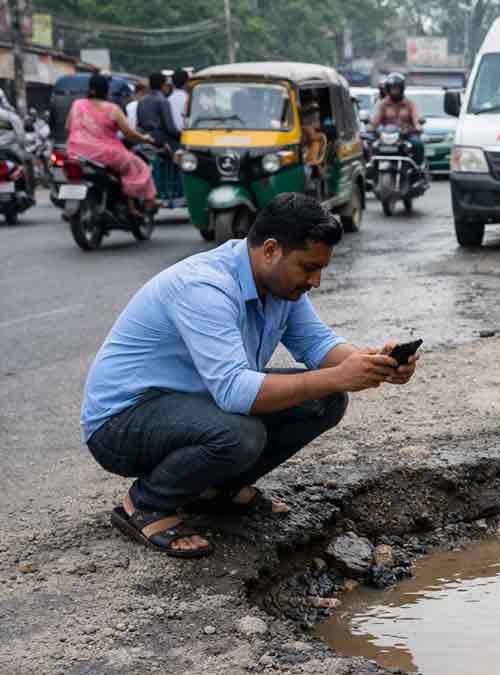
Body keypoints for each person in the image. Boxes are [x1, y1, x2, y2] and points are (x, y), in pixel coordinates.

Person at [82, 193, 420, 558]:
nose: (317, 280)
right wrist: (341, 375)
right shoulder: (204, 287)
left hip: (190, 406)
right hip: (121, 424)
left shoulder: (278, 285)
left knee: (326, 401)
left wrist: (373, 363)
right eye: (309, 268)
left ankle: (216, 490)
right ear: (271, 250)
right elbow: (234, 392)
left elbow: (317, 343)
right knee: (240, 434)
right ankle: (146, 503)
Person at [67, 74, 159, 217]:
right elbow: (129, 133)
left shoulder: (77, 104)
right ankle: (144, 204)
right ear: (107, 90)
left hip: (75, 150)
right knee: (138, 165)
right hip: (106, 153)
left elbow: (68, 126)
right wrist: (145, 138)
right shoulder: (112, 109)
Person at [370, 73, 425, 169]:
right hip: (387, 136)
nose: (394, 91)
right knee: (371, 145)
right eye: (392, 88)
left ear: (402, 89)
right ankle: (371, 171)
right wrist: (370, 128)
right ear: (388, 89)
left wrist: (418, 126)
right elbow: (375, 121)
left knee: (418, 144)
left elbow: (416, 118)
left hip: (406, 134)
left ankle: (417, 170)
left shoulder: (410, 104)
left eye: (397, 88)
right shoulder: (382, 104)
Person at [138, 72, 180, 150]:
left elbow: (139, 123)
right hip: (161, 141)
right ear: (163, 85)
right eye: (167, 85)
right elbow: (170, 128)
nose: (168, 87)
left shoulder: (141, 100)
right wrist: (181, 135)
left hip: (144, 138)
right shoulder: (163, 101)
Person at [0, 89, 33, 187]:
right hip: (9, 150)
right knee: (28, 160)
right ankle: (28, 191)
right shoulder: (10, 116)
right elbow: (21, 137)